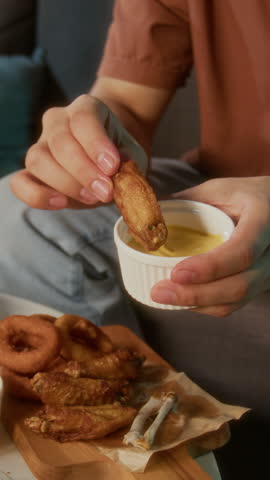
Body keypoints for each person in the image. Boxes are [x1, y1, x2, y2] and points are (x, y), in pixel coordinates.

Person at [1, 1, 270, 478]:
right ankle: (124, 411)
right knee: (18, 213)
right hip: (215, 189)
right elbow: (126, 101)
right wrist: (87, 143)